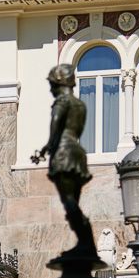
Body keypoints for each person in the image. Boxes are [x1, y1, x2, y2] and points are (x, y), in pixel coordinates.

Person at [32, 64, 97, 259]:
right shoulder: (80, 105)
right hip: (78, 153)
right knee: (73, 202)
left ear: (58, 83)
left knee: (68, 201)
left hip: (63, 153)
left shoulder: (62, 102)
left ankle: (86, 241)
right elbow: (76, 130)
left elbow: (56, 124)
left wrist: (46, 147)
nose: (51, 90)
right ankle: (85, 243)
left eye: (52, 85)